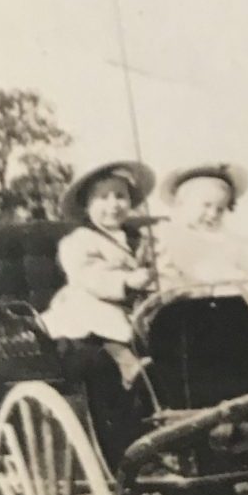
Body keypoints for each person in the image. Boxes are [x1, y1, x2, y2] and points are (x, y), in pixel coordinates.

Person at [40, 160, 156, 387]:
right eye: (103, 198)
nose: (114, 204)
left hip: (134, 303)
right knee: (95, 311)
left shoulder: (140, 238)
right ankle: (126, 363)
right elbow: (88, 275)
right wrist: (127, 280)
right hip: (93, 299)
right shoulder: (78, 241)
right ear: (86, 206)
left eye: (120, 196)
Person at [151, 163, 248, 286]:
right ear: (181, 203)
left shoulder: (227, 242)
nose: (213, 214)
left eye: (220, 209)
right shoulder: (167, 235)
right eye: (206, 205)